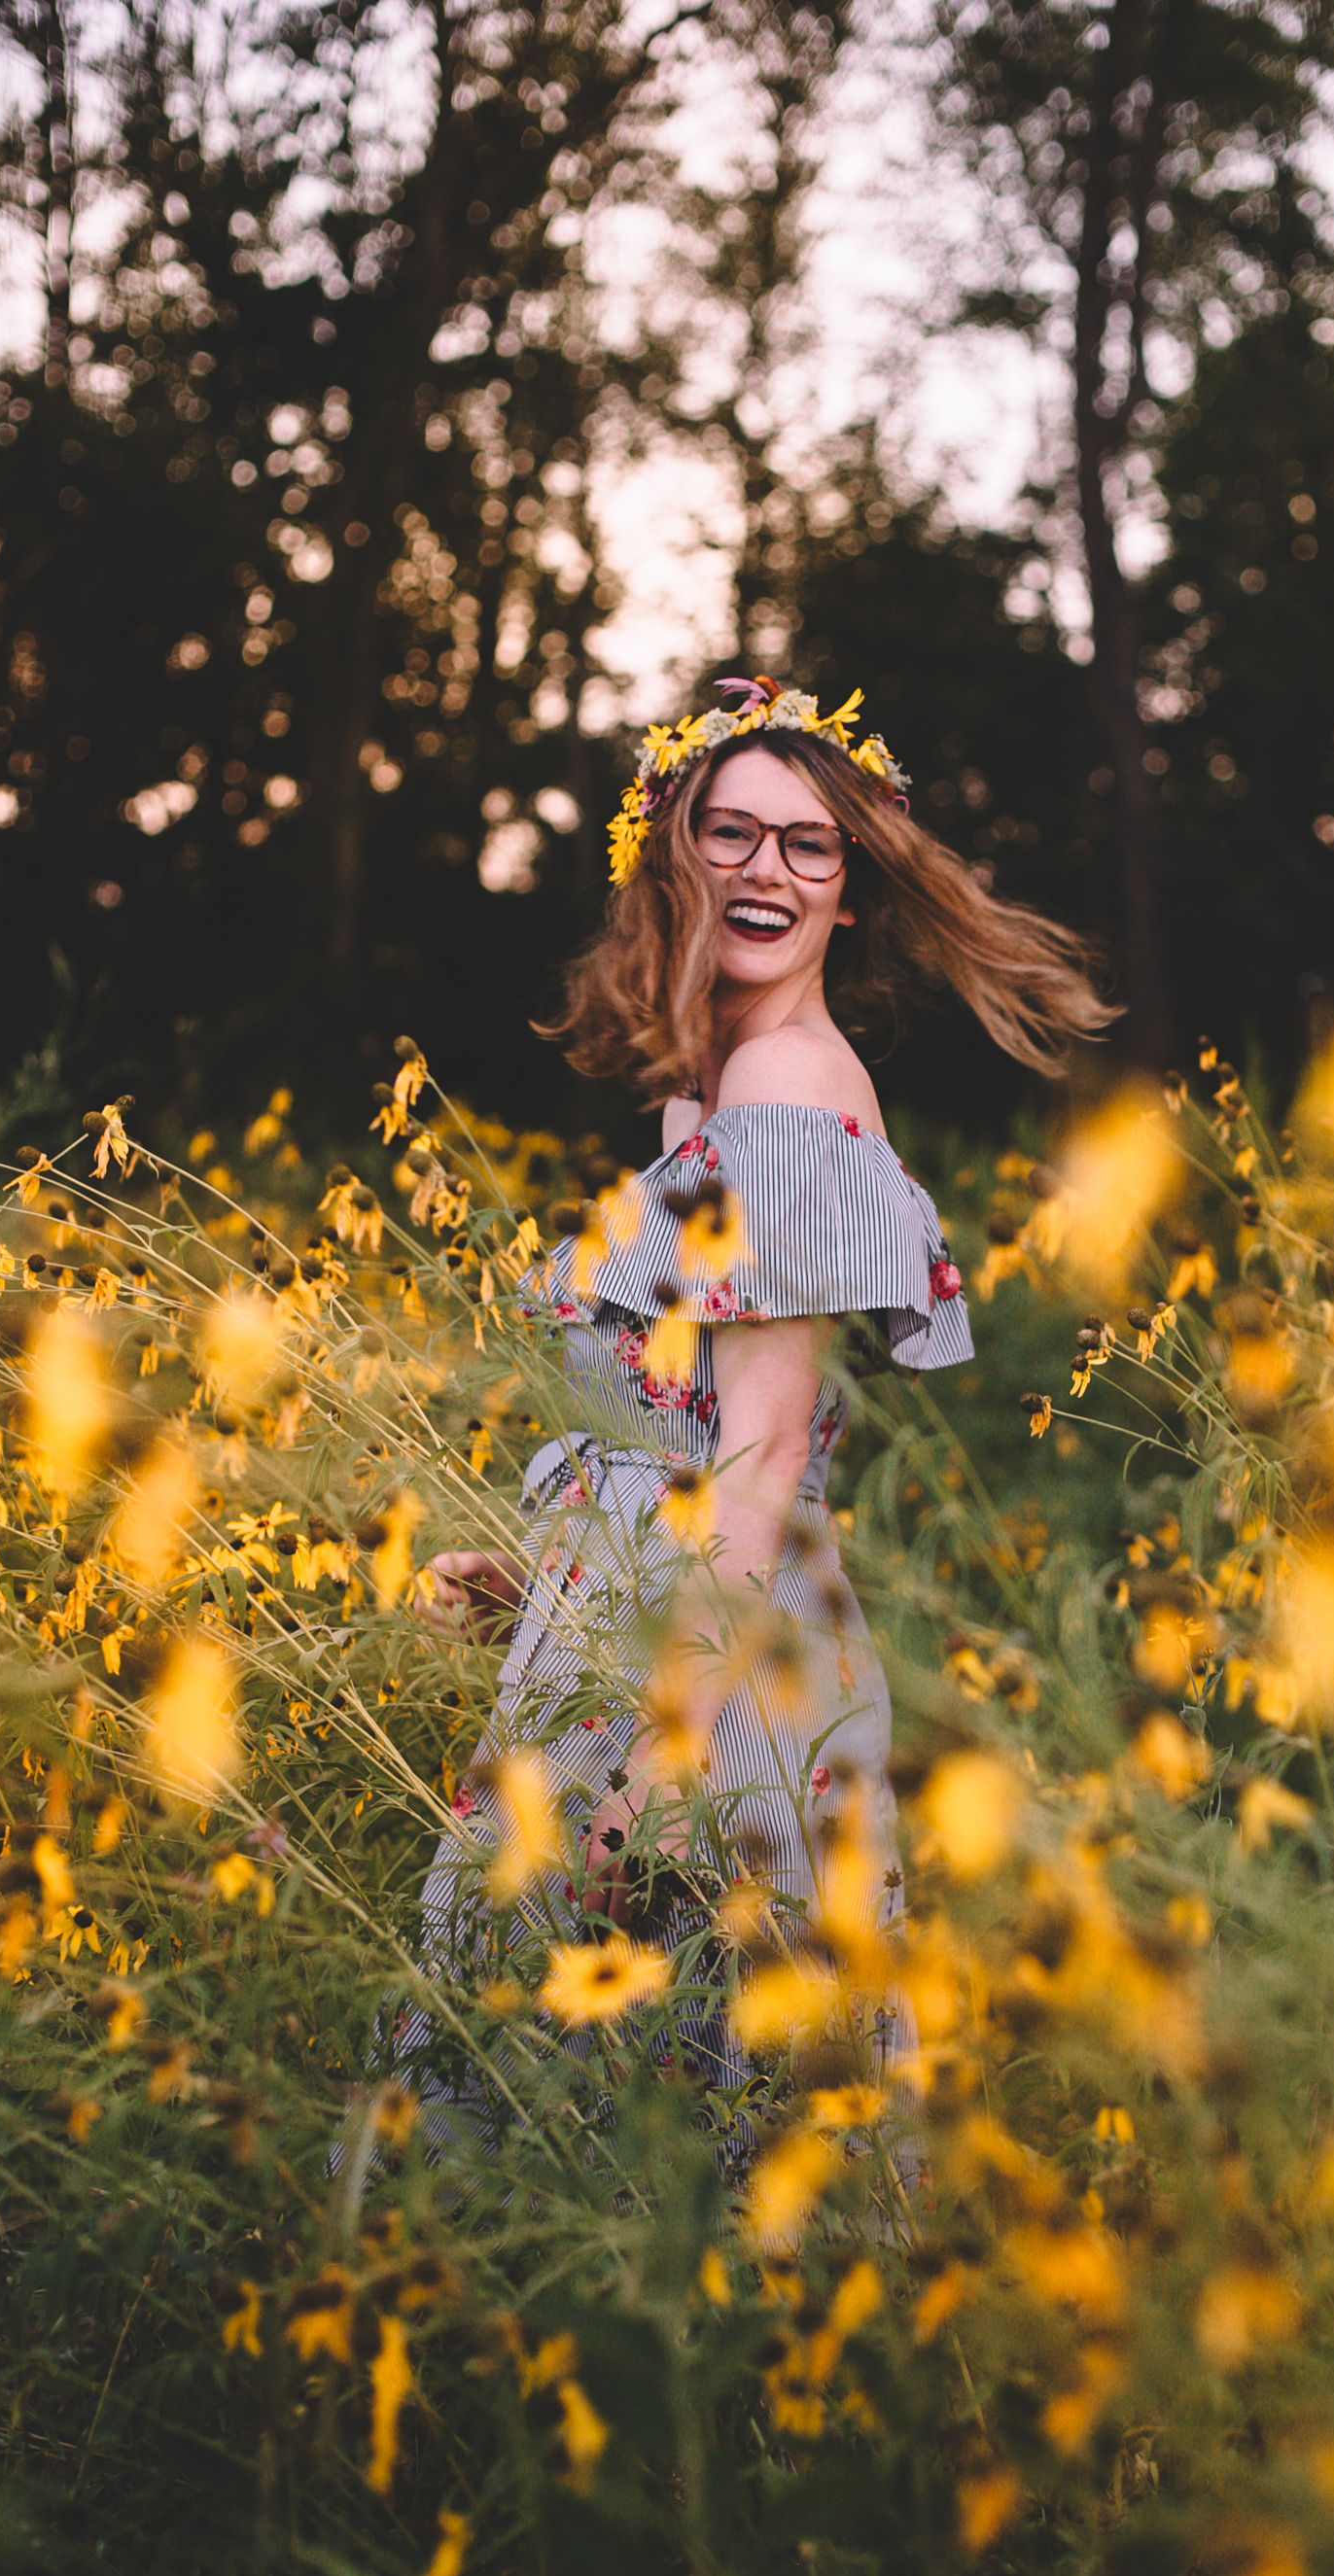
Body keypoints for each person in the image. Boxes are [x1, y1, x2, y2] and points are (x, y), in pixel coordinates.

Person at [408, 675, 1109, 2126]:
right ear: (670, 853)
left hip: (710, 1675)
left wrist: (662, 1762)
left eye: (811, 845)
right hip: (666, 1622)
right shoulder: (711, 1094)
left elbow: (769, 1447)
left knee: (626, 2119)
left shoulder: (788, 1081)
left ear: (850, 892)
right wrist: (545, 1573)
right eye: (733, 833)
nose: (768, 871)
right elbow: (679, 1434)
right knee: (606, 2106)